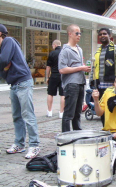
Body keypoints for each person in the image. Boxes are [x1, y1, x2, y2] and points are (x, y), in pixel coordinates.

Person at [0, 24, 40, 159]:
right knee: (17, 116)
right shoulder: (2, 48)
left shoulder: (8, 41)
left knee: (28, 115)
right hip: (14, 84)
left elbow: (4, 60)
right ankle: (19, 144)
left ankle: (34, 145)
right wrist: (5, 69)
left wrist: (5, 67)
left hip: (23, 82)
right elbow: (3, 73)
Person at [89, 28, 116, 125]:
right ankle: (106, 131)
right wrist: (91, 80)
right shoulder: (97, 52)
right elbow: (94, 67)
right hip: (101, 87)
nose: (102, 36)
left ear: (110, 36)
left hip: (114, 87)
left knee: (115, 110)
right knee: (103, 112)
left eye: (105, 34)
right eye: (100, 34)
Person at [58, 24, 91, 132]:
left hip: (80, 83)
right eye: (77, 33)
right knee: (69, 113)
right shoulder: (65, 50)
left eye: (80, 33)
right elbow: (62, 69)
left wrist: (84, 68)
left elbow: (78, 66)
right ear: (70, 34)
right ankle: (66, 137)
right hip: (71, 84)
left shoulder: (79, 49)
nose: (79, 35)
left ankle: (77, 134)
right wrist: (80, 68)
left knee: (77, 112)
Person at [46, 39, 64, 118]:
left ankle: (49, 111)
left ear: (55, 45)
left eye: (53, 46)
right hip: (63, 75)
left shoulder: (52, 53)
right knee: (63, 95)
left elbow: (48, 67)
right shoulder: (64, 52)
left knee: (50, 94)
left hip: (53, 75)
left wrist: (47, 77)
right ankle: (61, 112)